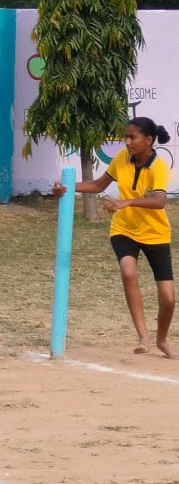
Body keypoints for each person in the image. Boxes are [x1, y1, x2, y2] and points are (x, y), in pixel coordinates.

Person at [52, 116, 176, 358]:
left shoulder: (158, 166)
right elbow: (98, 185)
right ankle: (143, 336)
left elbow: (159, 201)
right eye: (126, 137)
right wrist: (67, 187)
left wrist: (127, 201)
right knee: (128, 272)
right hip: (124, 230)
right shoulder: (121, 158)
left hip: (156, 233)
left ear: (148, 140)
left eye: (132, 137)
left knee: (168, 298)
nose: (127, 142)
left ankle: (162, 340)